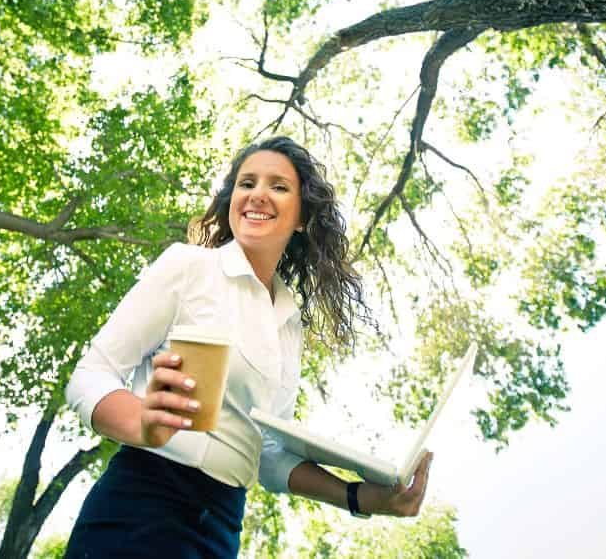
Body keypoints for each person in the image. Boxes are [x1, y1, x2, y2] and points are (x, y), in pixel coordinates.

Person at [63, 136, 433, 558]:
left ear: (302, 216)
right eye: (246, 183)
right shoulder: (189, 267)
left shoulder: (289, 323)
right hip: (141, 505)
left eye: (278, 186)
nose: (258, 194)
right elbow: (89, 376)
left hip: (221, 529)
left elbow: (269, 455)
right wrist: (140, 421)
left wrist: (361, 497)